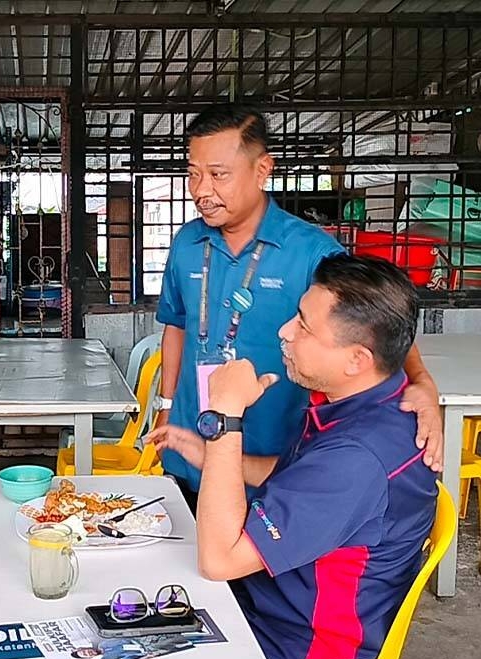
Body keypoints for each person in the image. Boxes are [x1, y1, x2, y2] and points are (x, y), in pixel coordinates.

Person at [150, 255, 437, 659]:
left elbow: (219, 561)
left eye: (304, 326)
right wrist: (209, 455)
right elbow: (298, 484)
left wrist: (227, 418)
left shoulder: (358, 459)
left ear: (357, 359)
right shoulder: (367, 402)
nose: (285, 332)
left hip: (293, 650)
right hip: (263, 607)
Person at [154, 102, 442, 508]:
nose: (201, 190)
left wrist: (423, 382)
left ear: (261, 170)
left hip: (273, 458)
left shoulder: (311, 251)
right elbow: (177, 326)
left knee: (249, 566)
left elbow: (378, 320)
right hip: (190, 442)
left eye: (218, 175)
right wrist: (165, 406)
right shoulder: (187, 242)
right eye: (193, 173)